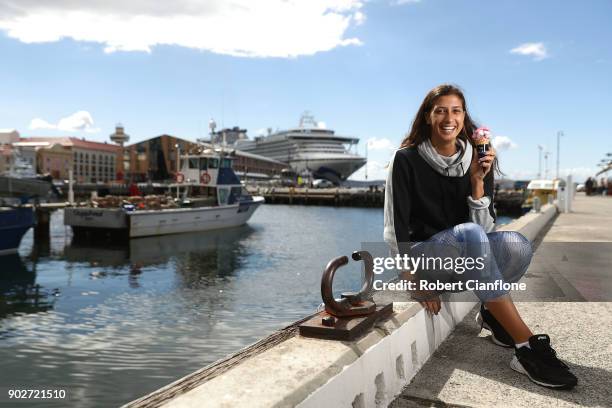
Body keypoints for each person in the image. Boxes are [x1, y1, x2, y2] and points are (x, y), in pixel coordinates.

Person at [383, 84, 577, 389]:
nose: (449, 117)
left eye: (456, 110)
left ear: (464, 117)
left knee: (517, 246)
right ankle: (525, 346)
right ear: (428, 117)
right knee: (471, 235)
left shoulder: (477, 159)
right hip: (428, 258)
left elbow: (486, 234)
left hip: (465, 256)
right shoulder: (405, 159)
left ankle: (491, 313)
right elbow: (395, 228)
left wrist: (477, 183)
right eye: (441, 110)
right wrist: (412, 280)